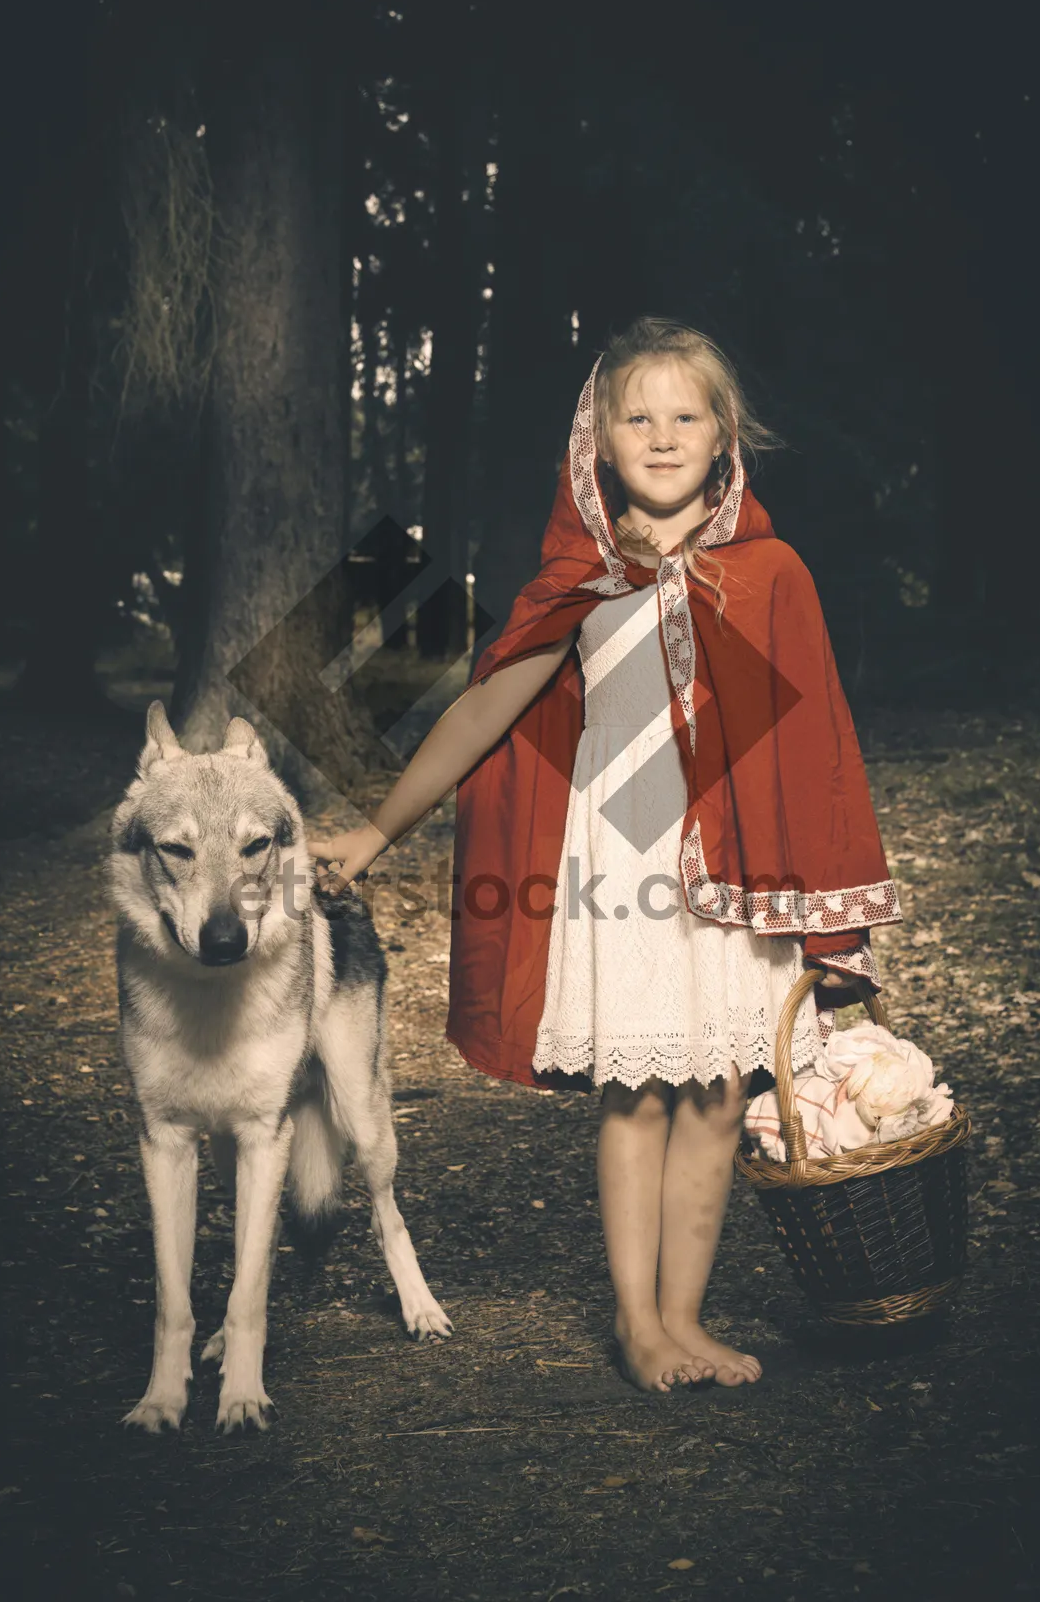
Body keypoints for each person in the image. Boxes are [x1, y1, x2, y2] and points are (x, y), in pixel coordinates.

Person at [307, 317, 900, 1394]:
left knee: (720, 1094)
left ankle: (686, 1316)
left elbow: (816, 755)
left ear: (726, 436)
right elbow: (484, 709)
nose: (662, 436)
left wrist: (819, 907)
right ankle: (636, 1322)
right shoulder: (581, 580)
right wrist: (376, 827)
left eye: (686, 415)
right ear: (598, 441)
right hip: (622, 874)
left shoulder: (770, 573)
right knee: (638, 1097)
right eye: (639, 416)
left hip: (736, 877)